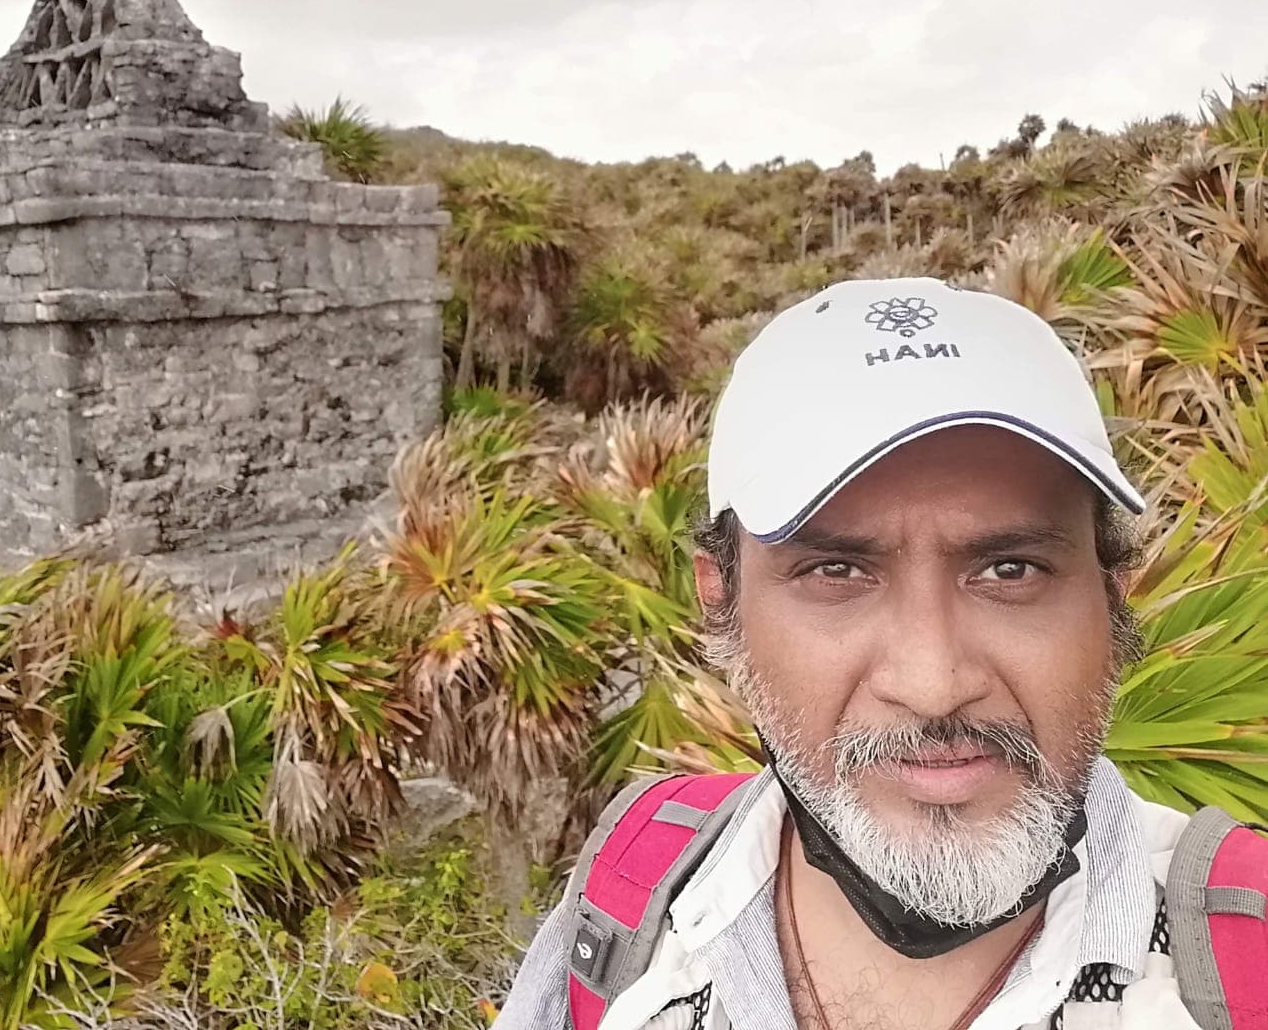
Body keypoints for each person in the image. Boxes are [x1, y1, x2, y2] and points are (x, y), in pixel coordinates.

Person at [496, 277, 1262, 1030]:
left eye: (1010, 570)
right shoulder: (633, 900)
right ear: (720, 602)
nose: (932, 686)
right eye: (835, 571)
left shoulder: (1239, 965)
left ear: (1112, 597)